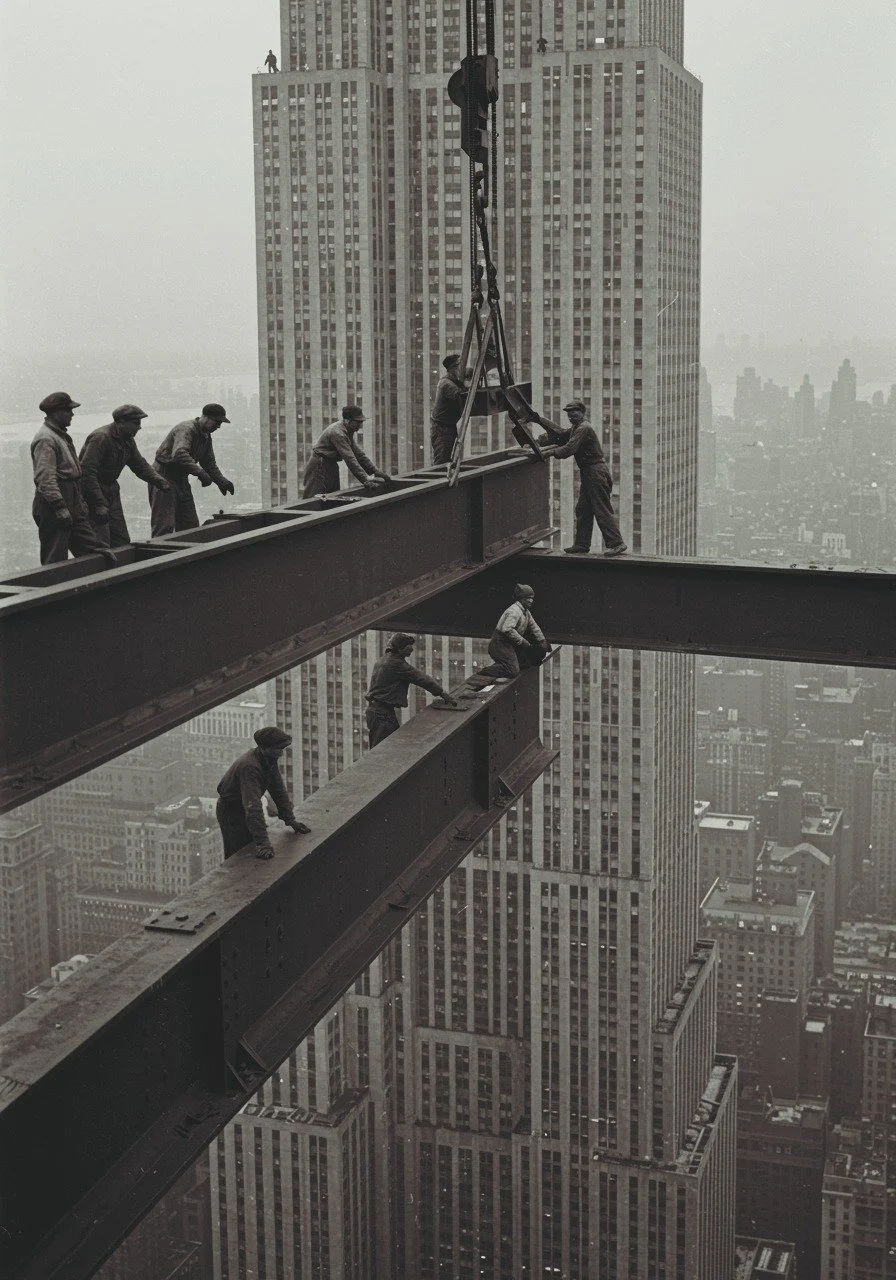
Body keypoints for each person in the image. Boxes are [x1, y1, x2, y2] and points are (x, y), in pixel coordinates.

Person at [30, 392, 117, 565]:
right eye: (68, 410)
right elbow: (46, 479)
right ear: (56, 413)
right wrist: (59, 506)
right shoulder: (46, 439)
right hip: (55, 500)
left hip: (71, 497)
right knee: (55, 557)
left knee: (94, 549)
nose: (72, 414)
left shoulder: (58, 435)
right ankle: (54, 590)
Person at [536, 399, 627, 556]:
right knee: (583, 509)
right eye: (569, 414)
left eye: (574, 413)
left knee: (601, 509)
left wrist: (549, 452)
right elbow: (559, 433)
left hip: (595, 471)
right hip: (589, 472)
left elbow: (570, 448)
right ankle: (582, 544)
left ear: (582, 412)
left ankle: (617, 543)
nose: (571, 416)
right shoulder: (576, 428)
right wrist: (539, 420)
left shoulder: (584, 428)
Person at [79, 405, 170, 547]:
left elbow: (139, 464)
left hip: (111, 490)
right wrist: (98, 503)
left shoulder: (127, 440)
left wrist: (158, 480)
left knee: (120, 539)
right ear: (121, 422)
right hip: (93, 491)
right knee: (101, 542)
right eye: (136, 423)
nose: (139, 428)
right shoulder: (100, 438)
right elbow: (87, 473)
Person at [216, 726, 310, 860]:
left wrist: (291, 820)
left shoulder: (268, 759)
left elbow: (278, 791)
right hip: (232, 812)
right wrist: (263, 844)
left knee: (251, 847)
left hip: (243, 807)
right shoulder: (250, 767)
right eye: (278, 749)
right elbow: (252, 807)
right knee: (238, 854)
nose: (281, 753)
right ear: (264, 748)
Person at [150, 403, 235, 537]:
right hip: (164, 476)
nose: (218, 426)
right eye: (217, 422)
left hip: (181, 478)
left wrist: (221, 481)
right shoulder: (187, 429)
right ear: (207, 418)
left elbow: (209, 463)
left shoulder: (205, 435)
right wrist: (200, 473)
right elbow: (179, 454)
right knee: (164, 527)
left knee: (190, 526)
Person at [365, 633, 458, 748]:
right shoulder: (397, 664)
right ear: (400, 648)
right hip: (382, 713)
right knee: (383, 748)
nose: (412, 649)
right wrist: (442, 694)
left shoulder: (383, 660)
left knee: (384, 745)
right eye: (408, 646)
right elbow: (422, 679)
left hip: (376, 711)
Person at [302, 406, 389, 497]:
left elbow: (359, 454)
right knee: (315, 496)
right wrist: (365, 480)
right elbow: (350, 458)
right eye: (358, 422)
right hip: (319, 465)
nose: (360, 425)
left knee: (332, 495)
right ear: (348, 421)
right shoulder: (337, 433)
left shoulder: (347, 430)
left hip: (330, 464)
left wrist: (375, 471)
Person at [476, 584, 550, 680]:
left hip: (510, 644)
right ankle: (485, 671)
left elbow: (534, 626)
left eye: (532, 598)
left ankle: (508, 663)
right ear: (521, 598)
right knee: (513, 671)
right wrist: (523, 641)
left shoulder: (526, 612)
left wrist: (542, 641)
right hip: (500, 645)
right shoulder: (514, 611)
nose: (531, 600)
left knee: (526, 663)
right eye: (528, 598)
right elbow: (507, 629)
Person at [430, 353, 469, 464]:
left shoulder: (452, 381)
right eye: (459, 365)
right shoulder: (447, 384)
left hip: (447, 428)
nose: (463, 368)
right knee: (442, 462)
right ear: (452, 368)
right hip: (442, 430)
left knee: (448, 460)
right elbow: (463, 396)